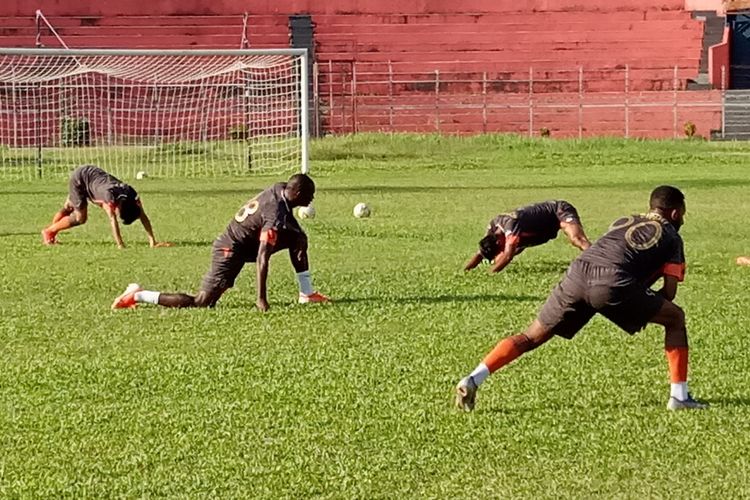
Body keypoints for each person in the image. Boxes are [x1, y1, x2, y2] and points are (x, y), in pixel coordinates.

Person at [455, 186, 707, 411]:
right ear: (675, 214)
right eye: (682, 215)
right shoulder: (672, 237)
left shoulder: (624, 220)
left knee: (530, 336)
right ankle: (679, 397)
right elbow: (670, 293)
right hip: (611, 282)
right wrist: (641, 305)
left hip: (577, 273)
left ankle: (473, 378)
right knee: (675, 319)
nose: (681, 220)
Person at [111, 173, 329, 312]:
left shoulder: (280, 189)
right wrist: (261, 299)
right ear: (298, 193)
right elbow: (263, 256)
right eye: (310, 195)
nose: (312, 200)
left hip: (245, 243)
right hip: (230, 249)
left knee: (298, 238)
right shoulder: (274, 214)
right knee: (202, 302)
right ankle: (138, 295)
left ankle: (306, 294)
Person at [42, 164, 165, 248]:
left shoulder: (131, 193)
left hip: (92, 176)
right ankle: (49, 232)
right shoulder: (109, 197)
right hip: (81, 179)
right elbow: (113, 220)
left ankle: (50, 234)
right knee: (80, 218)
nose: (116, 213)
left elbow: (142, 216)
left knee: (70, 206)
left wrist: (152, 241)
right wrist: (120, 245)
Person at [464, 200, 591, 273]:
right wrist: (466, 271)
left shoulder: (510, 225)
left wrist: (490, 274)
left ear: (499, 242)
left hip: (558, 211)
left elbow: (508, 256)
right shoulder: (492, 230)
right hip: (542, 229)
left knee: (577, 240)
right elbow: (480, 252)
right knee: (500, 259)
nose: (501, 252)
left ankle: (600, 259)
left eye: (499, 250)